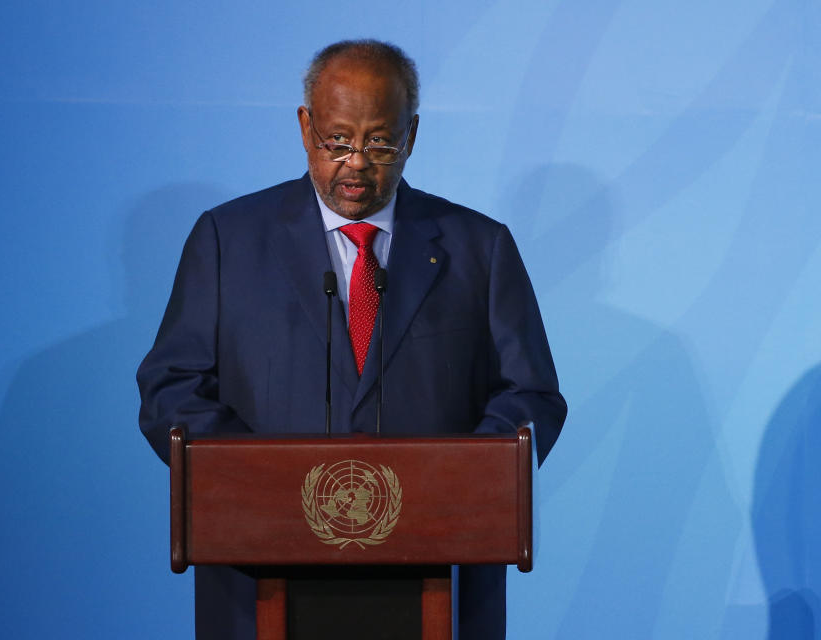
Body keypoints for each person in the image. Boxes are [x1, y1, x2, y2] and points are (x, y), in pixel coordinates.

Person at [137, 39, 566, 640]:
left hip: (436, 572)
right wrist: (259, 479)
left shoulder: (479, 248)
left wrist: (456, 482)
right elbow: (170, 389)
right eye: (337, 141)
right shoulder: (227, 241)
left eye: (380, 141)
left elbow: (530, 395)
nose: (358, 162)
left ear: (411, 134)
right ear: (305, 126)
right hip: (260, 568)